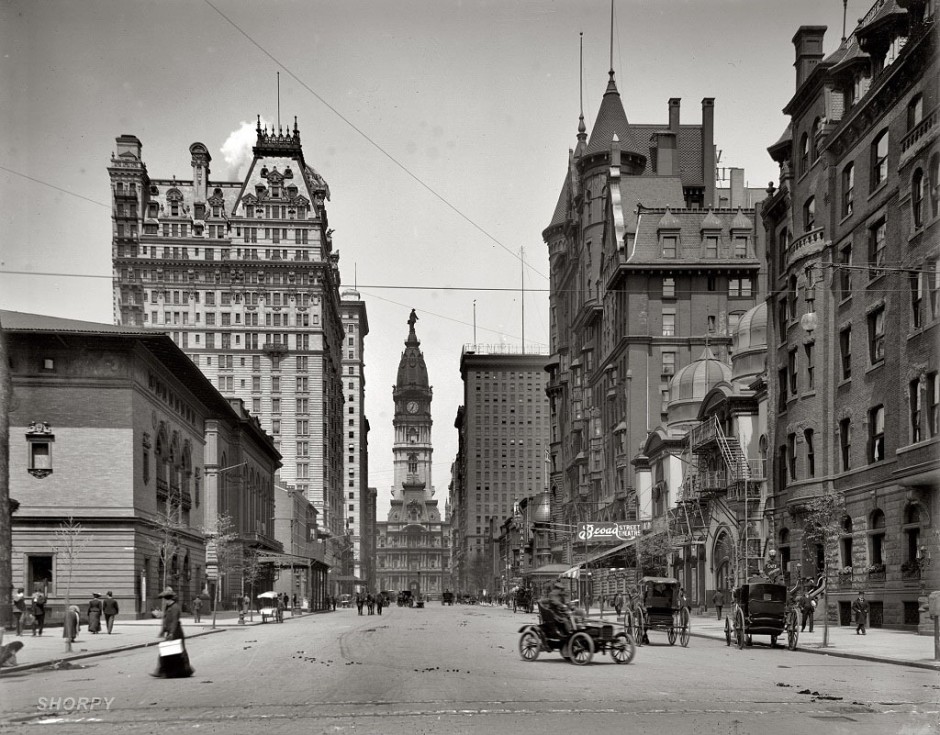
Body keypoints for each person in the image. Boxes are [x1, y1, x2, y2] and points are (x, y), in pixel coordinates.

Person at [152, 587, 194, 678]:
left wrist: (171, 633)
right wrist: (163, 631)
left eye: (165, 599)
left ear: (169, 599)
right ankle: (165, 670)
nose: (164, 601)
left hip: (176, 632)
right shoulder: (168, 607)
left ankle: (183, 670)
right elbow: (166, 619)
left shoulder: (175, 607)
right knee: (169, 651)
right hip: (171, 632)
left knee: (178, 651)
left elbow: (175, 621)